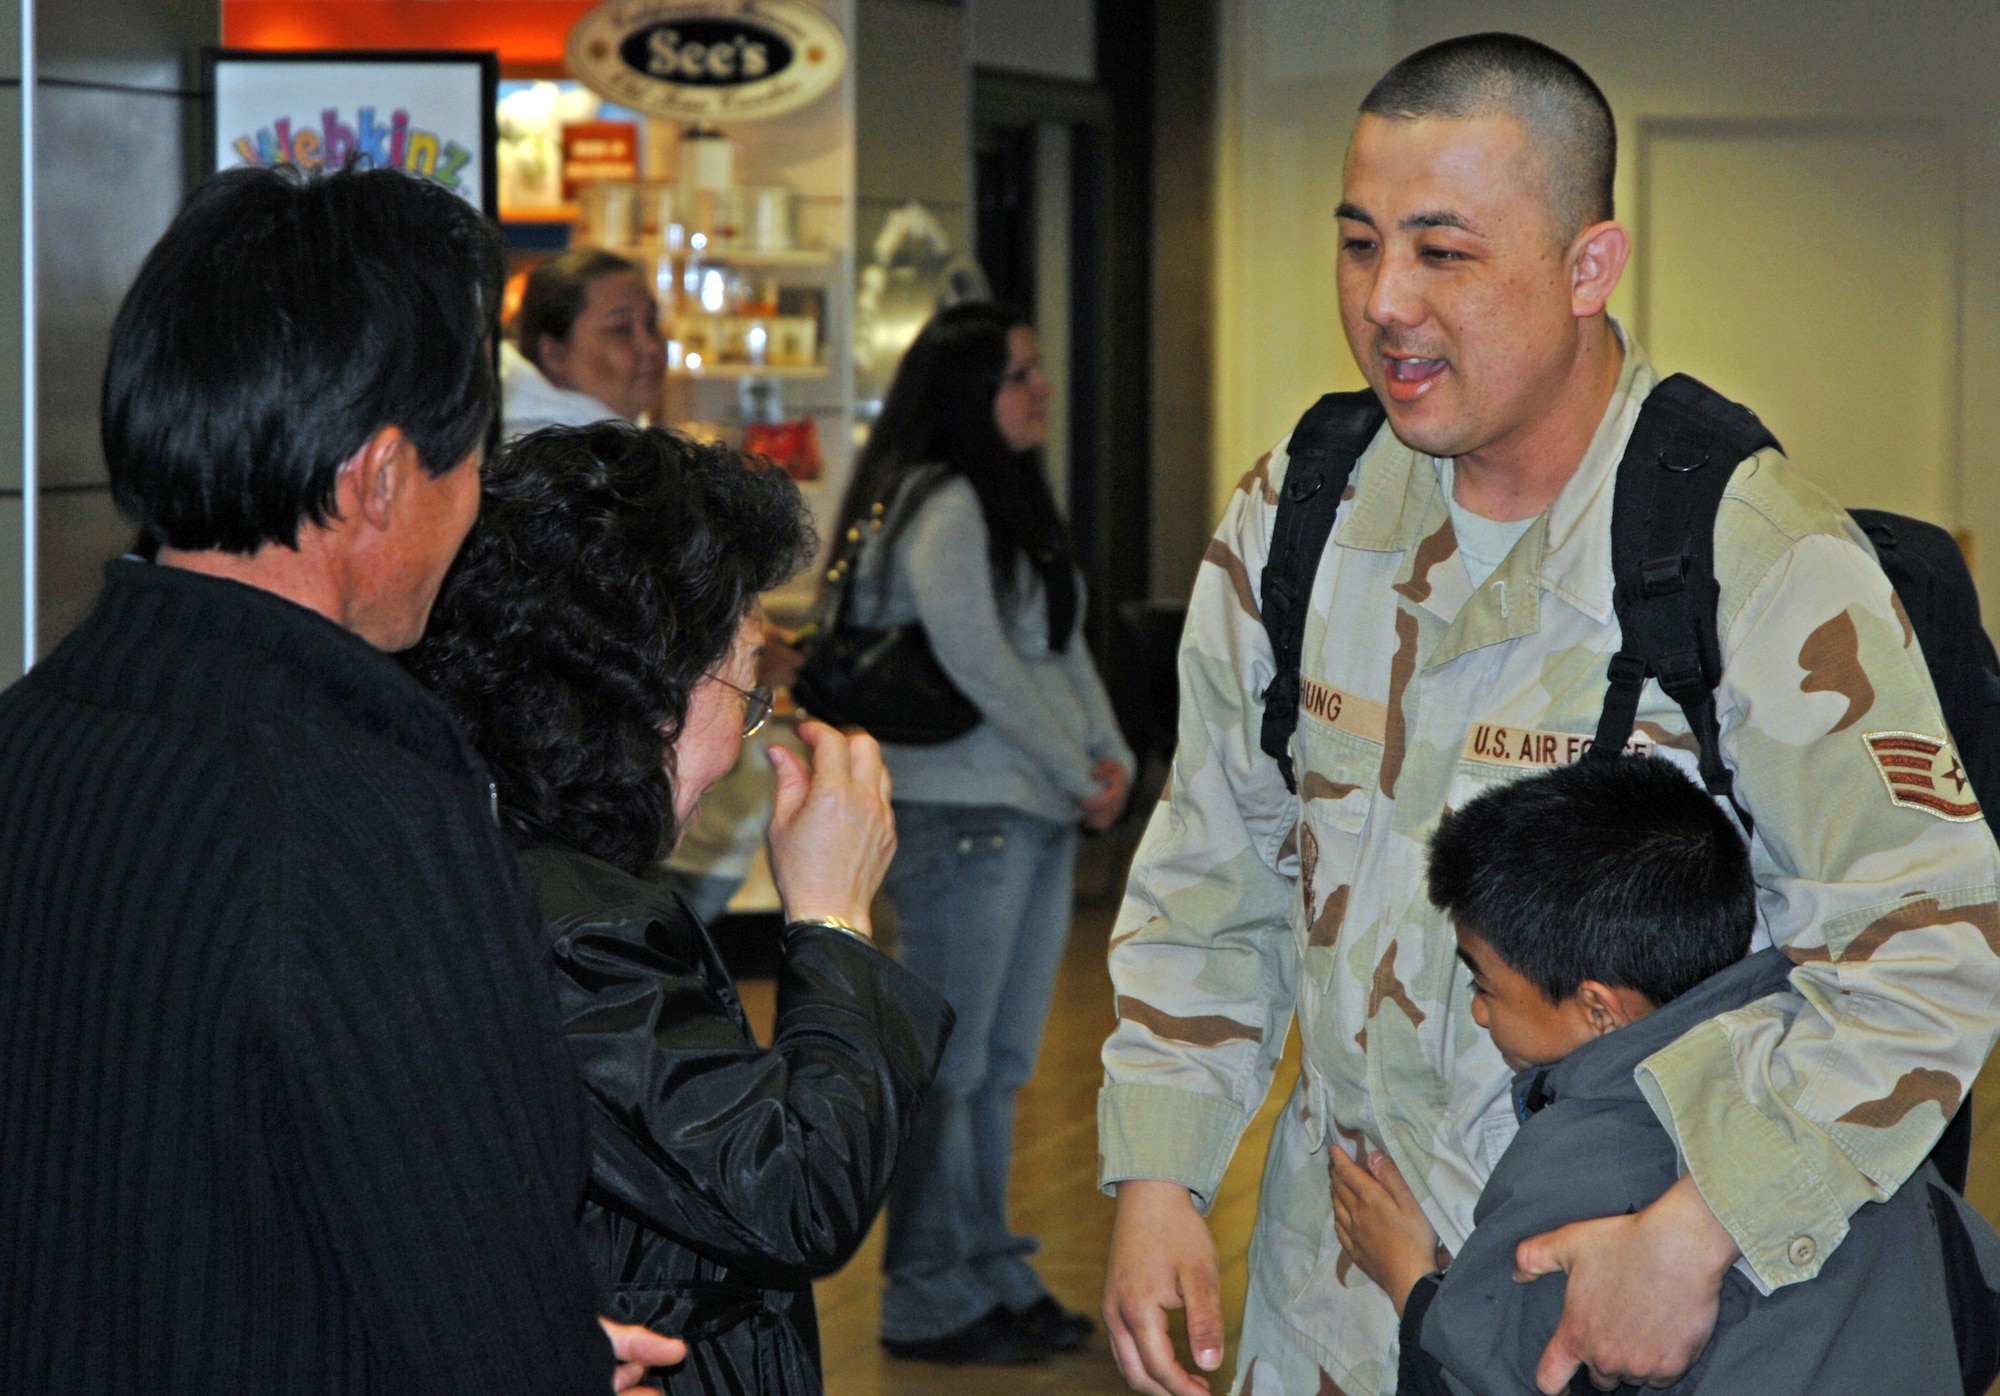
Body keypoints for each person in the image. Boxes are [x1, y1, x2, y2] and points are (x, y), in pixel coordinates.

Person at [1099, 31, 2000, 1396]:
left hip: (1616, 1317)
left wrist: (1705, 1231)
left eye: (1443, 253)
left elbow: (1928, 940)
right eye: (1359, 244)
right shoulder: (1305, 510)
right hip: (1335, 1308)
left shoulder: (1746, 554)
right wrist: (1161, 1171)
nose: (1385, 301)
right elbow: (1214, 854)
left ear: (1590, 266)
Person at [0, 166, 679, 1394]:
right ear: (376, 479)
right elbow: (474, 1279)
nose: (474, 502)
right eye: (468, 459)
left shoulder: (32, 735)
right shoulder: (367, 814)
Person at [404, 420, 954, 1394]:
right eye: (743, 686)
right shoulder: (582, 929)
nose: (744, 742)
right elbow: (790, 1195)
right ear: (648, 684)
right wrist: (831, 918)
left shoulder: (462, 840)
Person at [1333, 755, 2000, 1396]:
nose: (1478, 1011)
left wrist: (1409, 1277)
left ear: (1598, 1009)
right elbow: (1976, 1315)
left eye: (1485, 983)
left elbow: (1471, 1378)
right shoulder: (1838, 1105)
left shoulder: (1577, 1166)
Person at [825, 300, 1135, 1363]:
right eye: (1018, 375)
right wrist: (1072, 765)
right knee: (952, 1066)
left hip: (1026, 807)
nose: (1039, 389)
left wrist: (1109, 755)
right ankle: (925, 1294)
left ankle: (988, 1268)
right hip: (962, 809)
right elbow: (979, 661)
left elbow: (1053, 644)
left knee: (997, 1063)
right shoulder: (944, 502)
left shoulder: (1002, 501)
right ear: (967, 395)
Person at [503, 247, 667, 437]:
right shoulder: (548, 456)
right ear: (554, 354)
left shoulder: (614, 438)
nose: (652, 348)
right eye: (621, 330)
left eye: (651, 323)